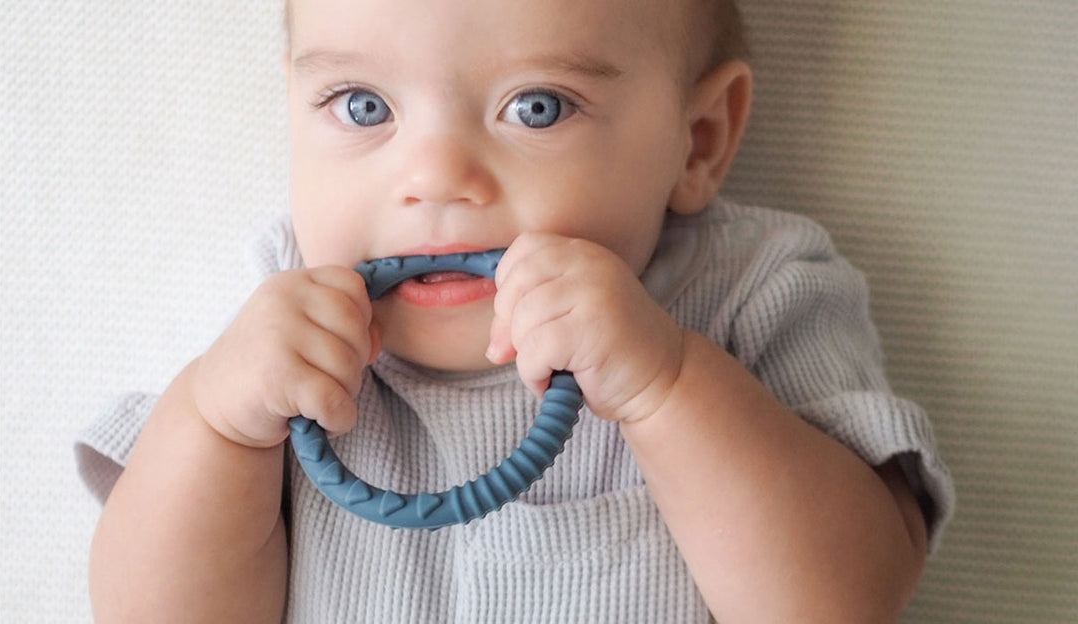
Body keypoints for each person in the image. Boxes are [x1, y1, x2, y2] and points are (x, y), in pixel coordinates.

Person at [78, 0, 954, 621]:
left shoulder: (752, 290)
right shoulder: (280, 324)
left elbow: (847, 597)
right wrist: (218, 423)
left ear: (699, 141)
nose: (432, 179)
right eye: (362, 106)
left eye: (537, 108)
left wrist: (667, 387)